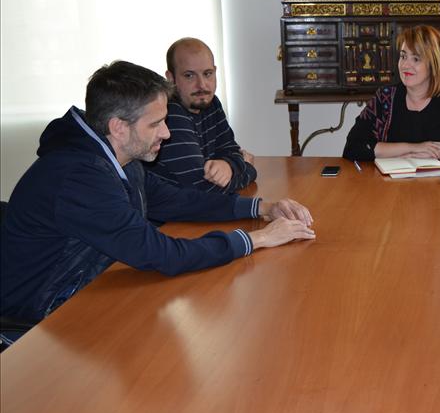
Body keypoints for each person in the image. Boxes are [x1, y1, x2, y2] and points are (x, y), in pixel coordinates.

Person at [0, 61, 315, 325]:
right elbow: (160, 254)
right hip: (44, 317)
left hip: (90, 289)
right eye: (156, 124)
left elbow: (177, 200)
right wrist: (258, 239)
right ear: (119, 127)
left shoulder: (118, 157)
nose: (166, 132)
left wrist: (260, 208)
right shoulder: (80, 178)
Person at [342, 25, 440, 163]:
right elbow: (353, 147)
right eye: (403, 56)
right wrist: (413, 148)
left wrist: (435, 153)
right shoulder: (385, 97)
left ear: (434, 64)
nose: (405, 65)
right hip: (391, 186)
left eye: (416, 59)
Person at [146, 38, 256, 193]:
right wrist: (248, 168)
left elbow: (230, 149)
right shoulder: (169, 114)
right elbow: (202, 188)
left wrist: (228, 165)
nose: (202, 85)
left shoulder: (211, 103)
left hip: (199, 205)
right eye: (189, 76)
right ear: (170, 78)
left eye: (208, 74)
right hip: (173, 207)